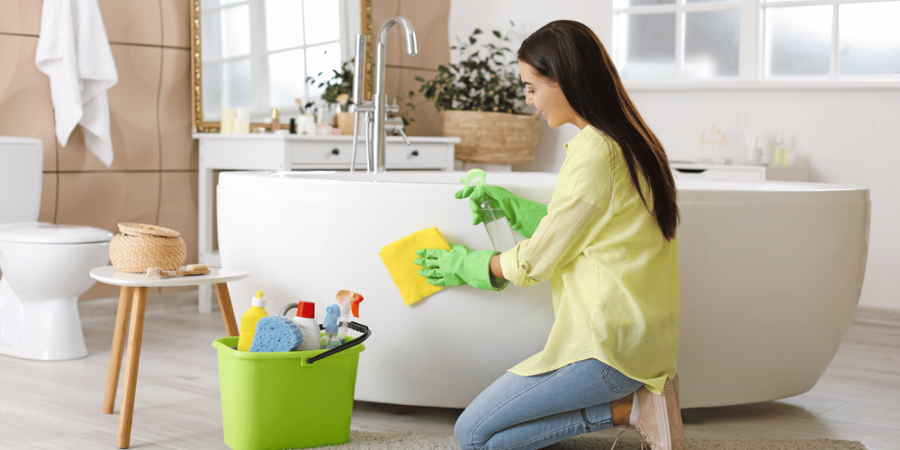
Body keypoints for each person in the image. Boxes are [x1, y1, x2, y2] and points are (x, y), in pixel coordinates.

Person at [414, 20, 683, 450]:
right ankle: (630, 407)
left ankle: (629, 408)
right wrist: (518, 209)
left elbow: (534, 263)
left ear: (566, 80)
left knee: (472, 436)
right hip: (642, 340)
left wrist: (464, 265)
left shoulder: (595, 153)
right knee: (487, 434)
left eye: (531, 87)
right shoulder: (631, 141)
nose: (529, 100)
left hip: (606, 350)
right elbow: (595, 228)